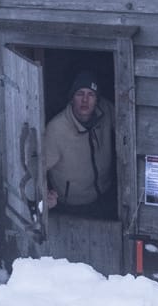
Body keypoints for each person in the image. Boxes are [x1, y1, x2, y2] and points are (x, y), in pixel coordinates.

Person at [43, 71, 116, 217]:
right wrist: (45, 196)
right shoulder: (56, 129)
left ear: (97, 100)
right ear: (71, 99)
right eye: (80, 94)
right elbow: (37, 169)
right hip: (72, 206)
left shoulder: (107, 111)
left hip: (106, 196)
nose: (85, 100)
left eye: (91, 94)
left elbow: (127, 122)